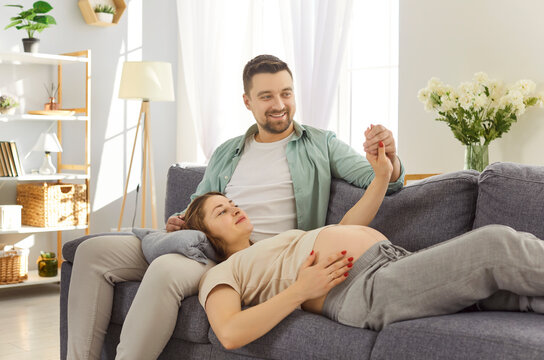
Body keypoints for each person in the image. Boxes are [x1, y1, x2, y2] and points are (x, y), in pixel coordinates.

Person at [67, 55, 405, 359]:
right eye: (267, 96)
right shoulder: (229, 151)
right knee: (92, 251)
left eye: (286, 93)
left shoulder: (321, 143)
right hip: (204, 241)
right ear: (247, 101)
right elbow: (198, 204)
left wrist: (389, 154)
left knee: (167, 270)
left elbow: (384, 179)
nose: (279, 104)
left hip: (247, 259)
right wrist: (182, 220)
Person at [186, 143, 544, 350]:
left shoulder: (271, 244)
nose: (233, 207)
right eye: (221, 210)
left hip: (395, 263)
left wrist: (382, 176)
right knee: (494, 244)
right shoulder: (220, 273)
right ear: (205, 234)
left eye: (231, 203)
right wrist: (299, 292)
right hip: (366, 288)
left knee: (513, 294)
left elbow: (346, 229)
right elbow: (229, 333)